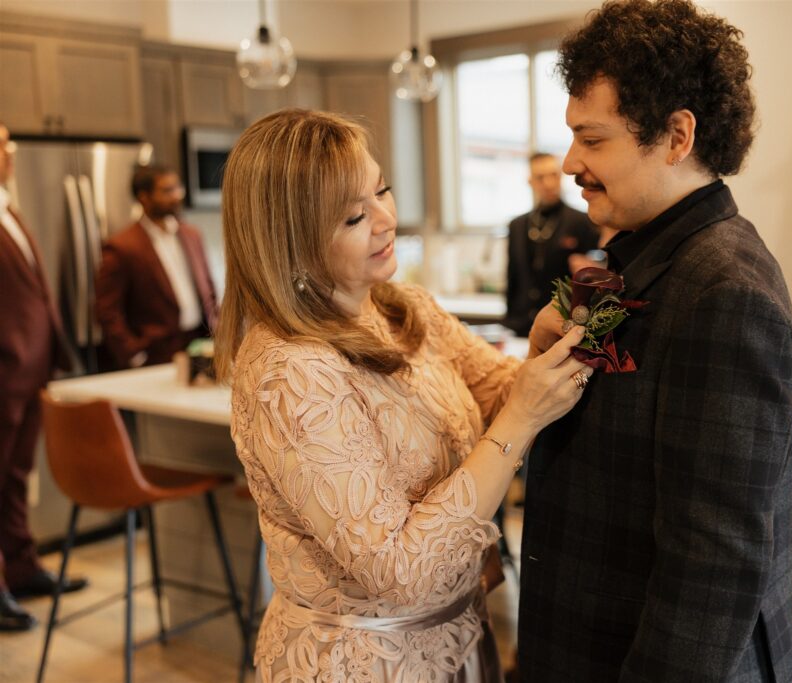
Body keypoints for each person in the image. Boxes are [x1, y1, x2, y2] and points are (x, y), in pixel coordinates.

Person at [215, 109, 591, 682]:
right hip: (364, 663)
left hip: (459, 639)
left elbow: (495, 388)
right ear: (289, 241)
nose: (387, 219)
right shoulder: (290, 373)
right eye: (353, 216)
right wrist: (520, 419)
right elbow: (399, 572)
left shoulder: (403, 308)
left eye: (382, 190)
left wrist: (540, 353)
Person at [517, 2, 792, 681]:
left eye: (593, 140)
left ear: (677, 136)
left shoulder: (726, 292)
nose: (571, 162)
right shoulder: (639, 257)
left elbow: (713, 569)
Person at [0, 123, 87, 632]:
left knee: (14, 476)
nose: (10, 153)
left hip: (29, 369)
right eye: (2, 146)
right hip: (6, 367)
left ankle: (21, 567)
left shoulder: (8, 208)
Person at [95, 164, 219, 370]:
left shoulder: (192, 235)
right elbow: (107, 311)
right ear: (144, 197)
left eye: (178, 188)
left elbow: (208, 288)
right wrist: (134, 355)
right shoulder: (122, 246)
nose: (176, 196)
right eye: (167, 191)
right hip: (155, 353)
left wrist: (219, 332)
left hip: (200, 344)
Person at [504, 152, 599, 337]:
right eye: (540, 177)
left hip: (562, 324)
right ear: (530, 181)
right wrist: (509, 321)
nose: (548, 184)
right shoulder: (517, 225)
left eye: (553, 175)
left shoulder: (582, 221)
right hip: (521, 324)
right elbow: (512, 277)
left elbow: (592, 277)